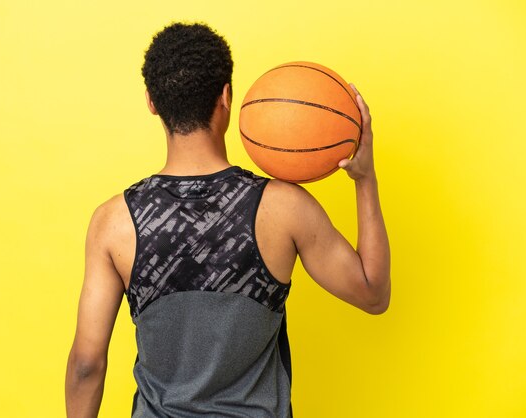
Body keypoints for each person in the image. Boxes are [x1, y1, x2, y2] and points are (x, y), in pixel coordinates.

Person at [65, 22, 390, 418]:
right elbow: (373, 293)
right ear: (226, 97)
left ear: (151, 101)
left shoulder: (115, 222)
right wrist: (364, 178)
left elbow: (86, 365)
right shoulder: (283, 207)